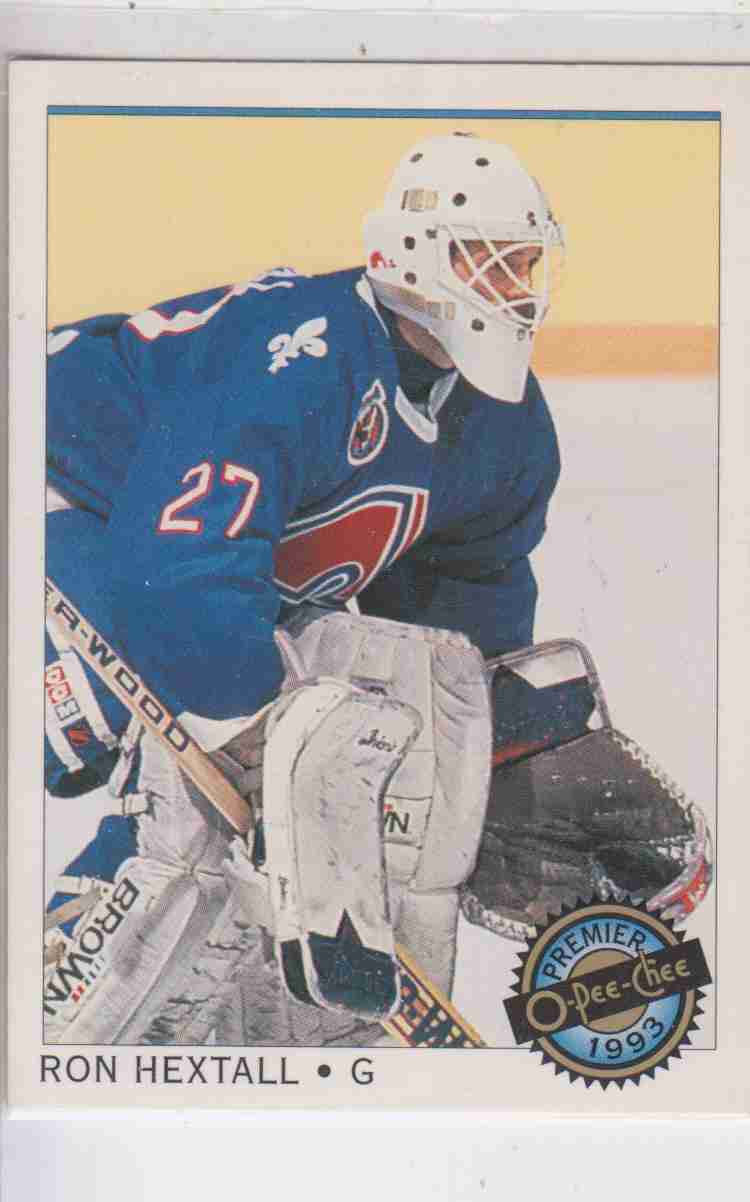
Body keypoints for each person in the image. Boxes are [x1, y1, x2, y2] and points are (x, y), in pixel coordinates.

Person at [42, 131, 569, 1043]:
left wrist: (486, 767)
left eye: (526, 263)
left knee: (315, 744)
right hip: (57, 487)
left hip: (164, 547)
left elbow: (464, 611)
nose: (516, 289)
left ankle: (225, 999)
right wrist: (254, 736)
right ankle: (64, 992)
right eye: (491, 260)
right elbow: (181, 560)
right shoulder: (303, 357)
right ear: (412, 254)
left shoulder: (502, 424)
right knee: (138, 744)